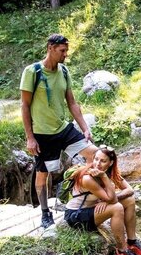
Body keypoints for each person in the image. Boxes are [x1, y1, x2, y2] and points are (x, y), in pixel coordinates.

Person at [20, 33, 97, 229]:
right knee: (43, 173)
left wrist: (85, 128)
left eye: (66, 51)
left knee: (95, 155)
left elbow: (72, 102)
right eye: (62, 51)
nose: (65, 55)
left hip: (63, 129)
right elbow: (24, 106)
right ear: (50, 48)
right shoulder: (33, 72)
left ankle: (82, 195)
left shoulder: (63, 71)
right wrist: (30, 137)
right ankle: (45, 213)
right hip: (42, 134)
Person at [63, 146, 141, 255]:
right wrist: (105, 185)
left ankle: (132, 242)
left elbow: (129, 190)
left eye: (103, 161)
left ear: (110, 163)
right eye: (96, 159)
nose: (97, 164)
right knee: (117, 208)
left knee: (130, 200)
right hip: (76, 216)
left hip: (92, 209)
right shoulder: (87, 178)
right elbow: (112, 199)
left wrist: (107, 200)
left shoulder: (111, 173)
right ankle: (122, 250)